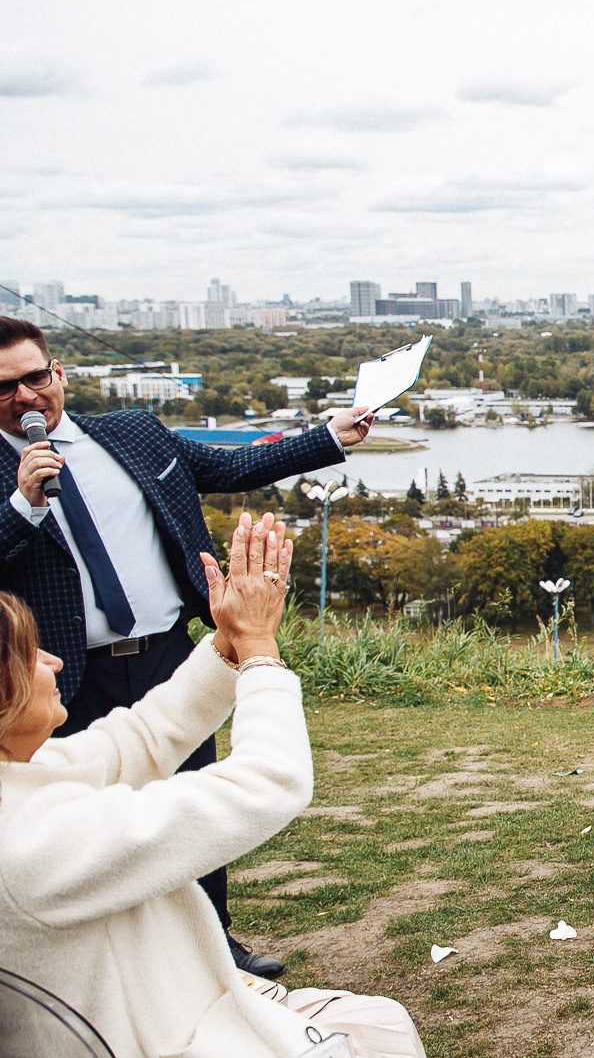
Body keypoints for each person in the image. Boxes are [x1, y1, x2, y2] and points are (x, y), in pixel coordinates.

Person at [0, 513, 452, 1058]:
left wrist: (227, 645)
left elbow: (138, 740)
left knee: (378, 1019)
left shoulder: (20, 789)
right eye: (30, 655)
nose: (54, 660)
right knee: (383, 1055)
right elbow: (266, 782)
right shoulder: (29, 847)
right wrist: (263, 650)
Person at [0, 316, 369, 978]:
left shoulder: (132, 433)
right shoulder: (12, 477)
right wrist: (23, 503)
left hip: (170, 654)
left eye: (34, 378)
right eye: (4, 388)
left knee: (196, 796)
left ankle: (214, 944)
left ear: (57, 374)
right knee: (92, 819)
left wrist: (328, 437)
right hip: (61, 678)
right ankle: (119, 958)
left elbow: (229, 466)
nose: (25, 397)